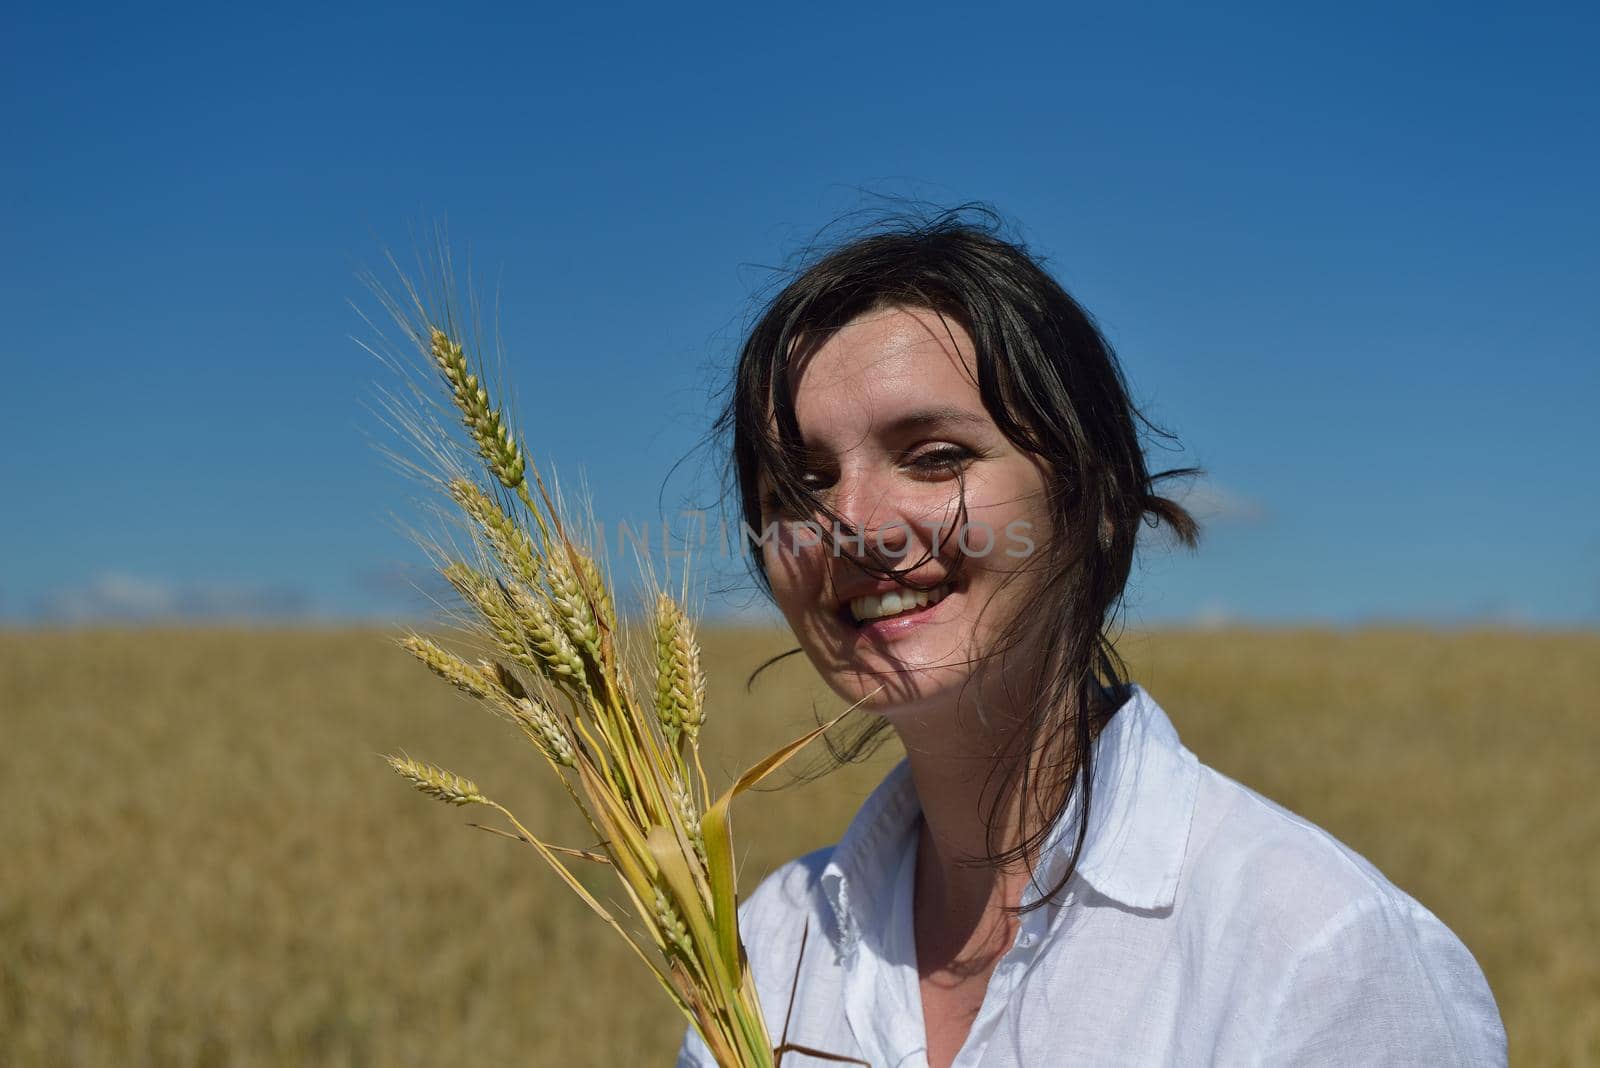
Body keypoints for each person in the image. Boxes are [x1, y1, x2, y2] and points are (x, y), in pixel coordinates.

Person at [676, 209, 1506, 1067]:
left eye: (933, 456)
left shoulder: (1313, 954)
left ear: (1097, 501)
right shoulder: (768, 949)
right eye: (800, 484)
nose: (850, 521)